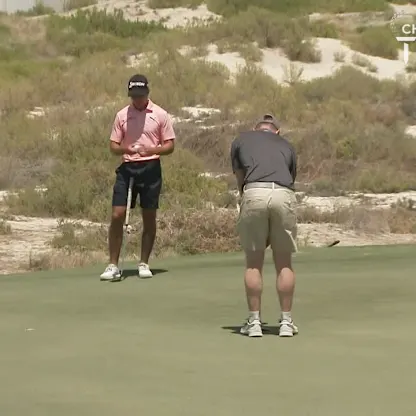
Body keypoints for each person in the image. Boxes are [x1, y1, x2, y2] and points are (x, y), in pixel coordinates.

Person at [100, 74, 176, 281]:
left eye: (141, 95)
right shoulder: (122, 115)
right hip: (127, 168)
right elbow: (113, 146)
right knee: (117, 215)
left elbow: (170, 145)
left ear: (147, 93)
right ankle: (112, 265)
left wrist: (151, 150)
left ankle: (144, 263)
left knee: (149, 216)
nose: (137, 99)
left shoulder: (160, 114)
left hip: (151, 168)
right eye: (134, 95)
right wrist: (127, 149)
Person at [230, 114, 299, 338]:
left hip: (254, 190)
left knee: (253, 263)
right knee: (284, 262)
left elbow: (240, 176)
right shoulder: (287, 145)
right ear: (277, 131)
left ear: (256, 129)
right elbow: (290, 178)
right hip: (283, 193)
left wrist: (245, 198)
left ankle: (254, 322)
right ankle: (286, 323)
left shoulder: (242, 139)